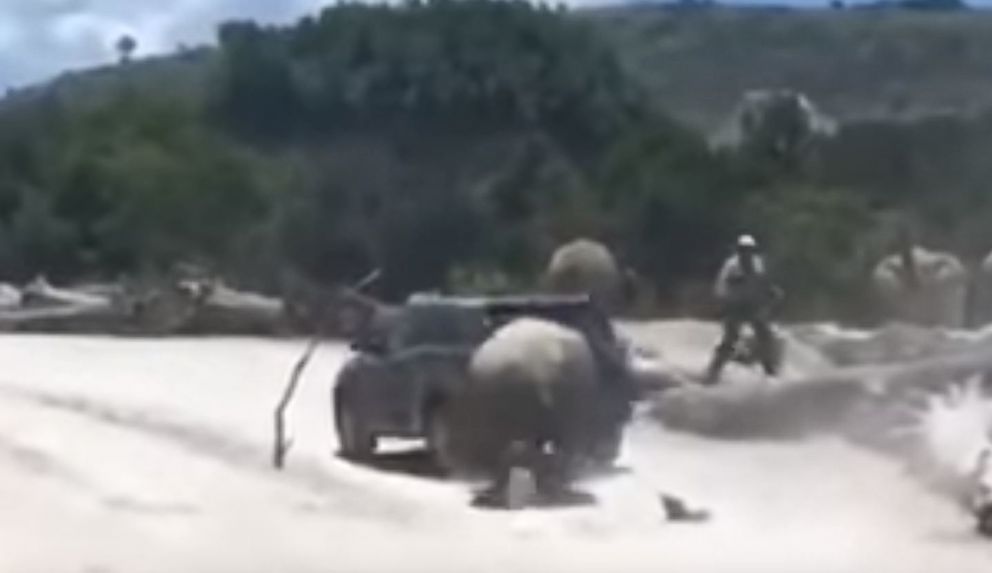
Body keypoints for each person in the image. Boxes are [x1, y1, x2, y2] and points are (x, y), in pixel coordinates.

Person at [703, 234, 783, 385]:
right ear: (738, 250)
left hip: (752, 305)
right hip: (735, 306)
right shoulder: (732, 265)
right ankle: (713, 372)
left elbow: (762, 281)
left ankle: (770, 372)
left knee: (765, 335)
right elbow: (721, 286)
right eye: (743, 250)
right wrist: (724, 303)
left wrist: (771, 291)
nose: (746, 253)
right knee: (730, 339)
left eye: (749, 250)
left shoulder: (757, 263)